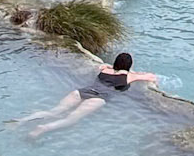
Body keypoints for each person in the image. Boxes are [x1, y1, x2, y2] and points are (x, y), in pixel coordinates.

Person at [10, 50, 159, 137]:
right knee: (70, 120)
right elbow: (151, 77)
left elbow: (102, 65)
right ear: (128, 66)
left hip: (82, 91)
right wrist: (134, 74)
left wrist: (110, 66)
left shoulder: (105, 69)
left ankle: (21, 121)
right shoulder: (129, 76)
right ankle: (43, 129)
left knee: (54, 111)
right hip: (99, 98)